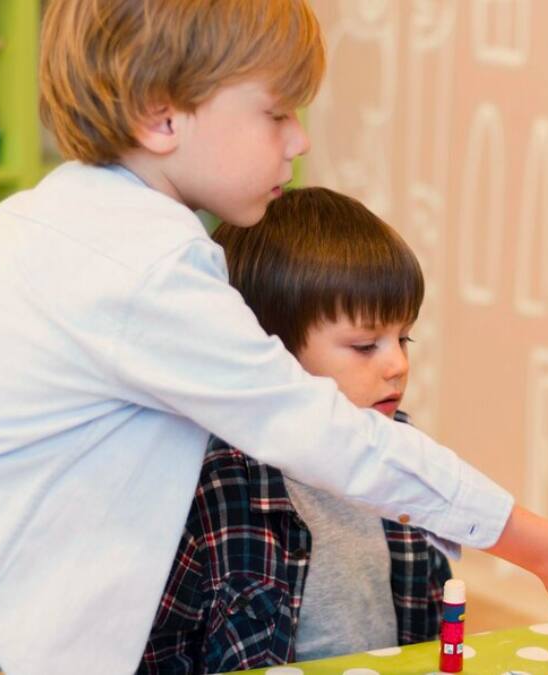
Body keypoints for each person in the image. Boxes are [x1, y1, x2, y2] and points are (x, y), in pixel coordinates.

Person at [0, 2, 548, 672]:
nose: (300, 138)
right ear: (162, 118)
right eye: (276, 114)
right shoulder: (143, 271)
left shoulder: (52, 220)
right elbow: (329, 435)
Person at [141, 187, 453, 672]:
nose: (398, 364)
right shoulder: (214, 483)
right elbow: (161, 649)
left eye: (403, 337)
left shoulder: (399, 453)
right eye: (367, 345)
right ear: (269, 354)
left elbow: (429, 615)